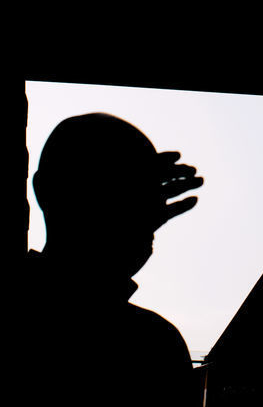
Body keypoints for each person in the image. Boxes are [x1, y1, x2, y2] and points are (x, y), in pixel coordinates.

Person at [20, 112, 204, 403]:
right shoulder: (152, 346)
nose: (143, 213)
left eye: (142, 196)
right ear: (47, 191)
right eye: (115, 191)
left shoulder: (154, 344)